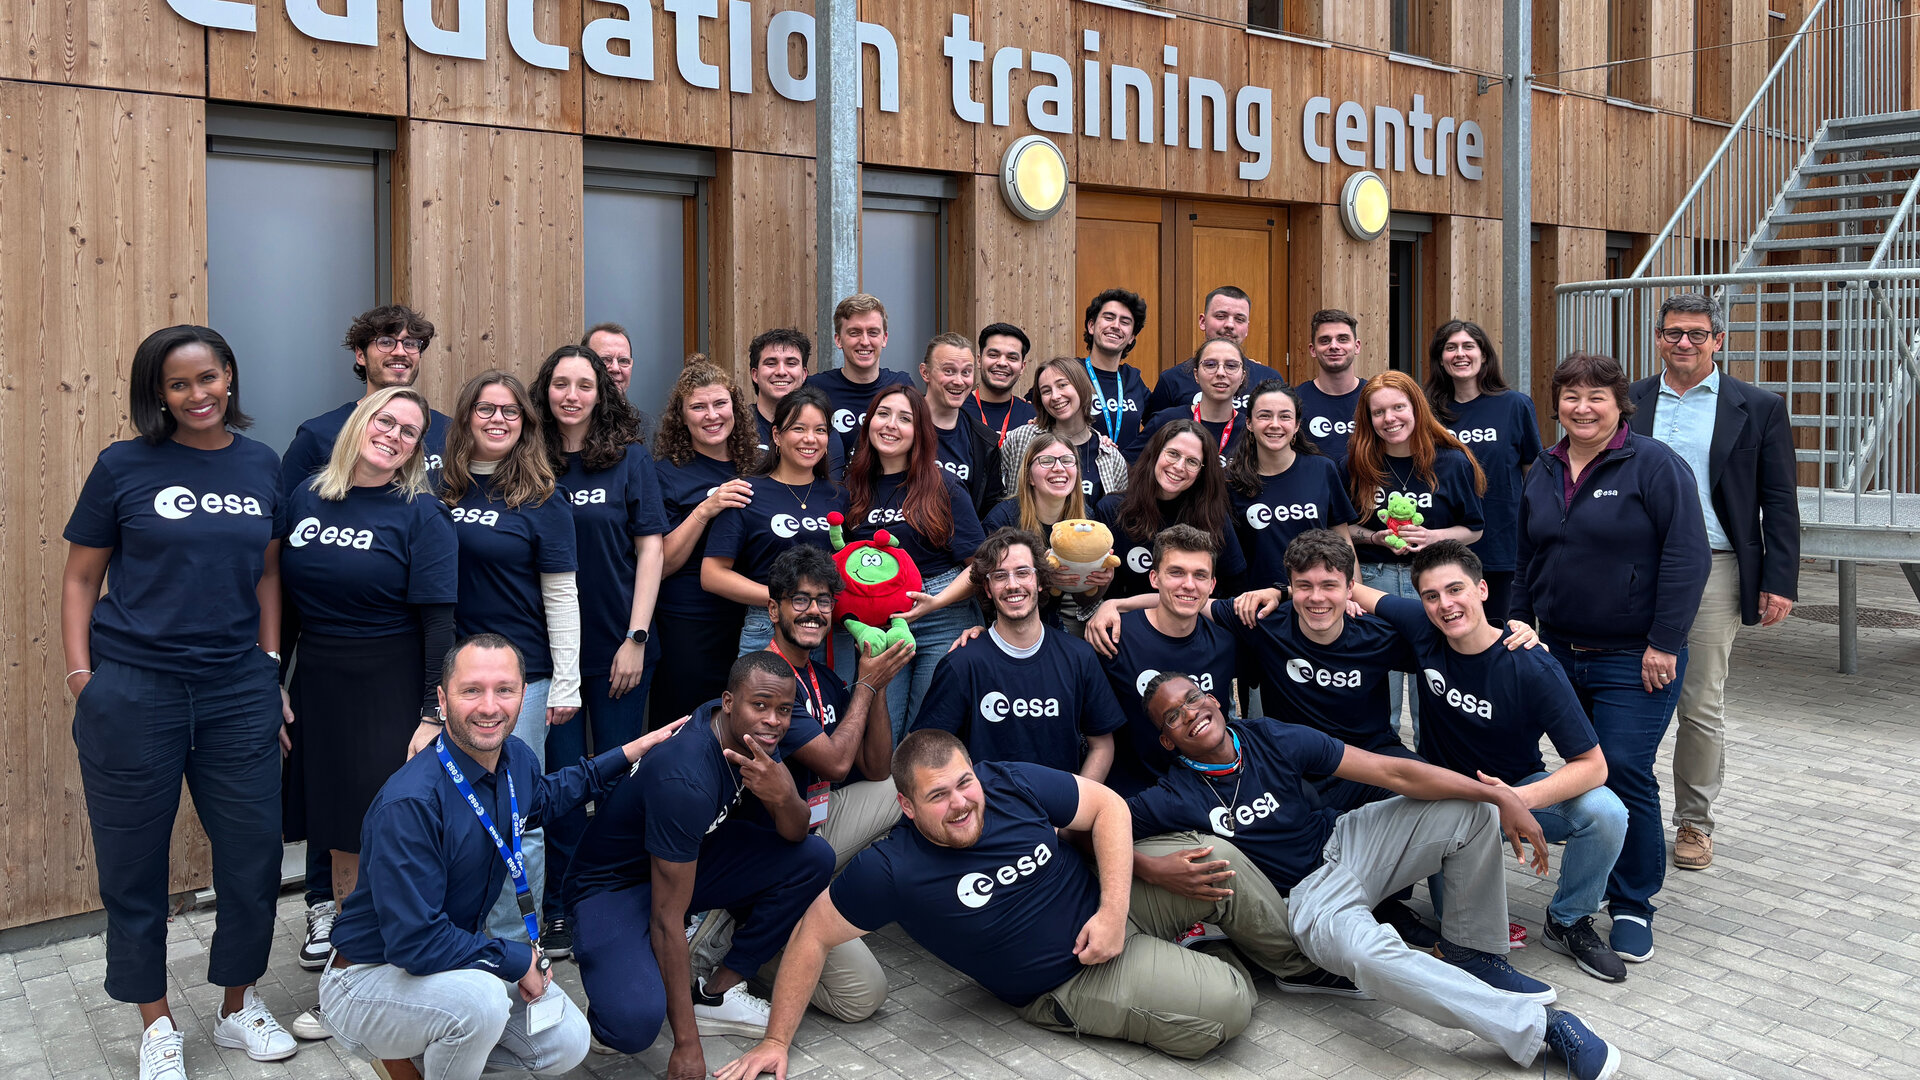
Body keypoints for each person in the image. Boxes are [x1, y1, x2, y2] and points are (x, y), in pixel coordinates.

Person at [1124, 676, 1622, 1080]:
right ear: (1168, 739)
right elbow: (1088, 829)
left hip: (1347, 843)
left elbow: (1395, 773)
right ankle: (1542, 1029)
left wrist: (1501, 797)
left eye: (1193, 698)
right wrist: (1149, 864)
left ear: (1215, 697)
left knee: (1468, 810)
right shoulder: (1171, 795)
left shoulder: (1272, 737)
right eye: (1174, 715)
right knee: (1369, 955)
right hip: (1309, 898)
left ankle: (1473, 951)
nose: (1190, 712)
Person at [714, 730, 1275, 1071]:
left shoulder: (1004, 781)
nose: (960, 803)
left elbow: (1108, 807)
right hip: (1066, 978)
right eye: (938, 796)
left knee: (1212, 857)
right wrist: (775, 1041)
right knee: (1227, 1005)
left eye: (964, 783)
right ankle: (1203, 961)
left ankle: (1302, 966)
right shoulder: (890, 870)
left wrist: (1111, 911)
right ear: (907, 808)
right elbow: (812, 933)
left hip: (1110, 908)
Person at [62, 325, 298, 1078]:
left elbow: (267, 574)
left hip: (236, 691)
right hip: (134, 691)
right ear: (157, 393)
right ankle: (155, 1021)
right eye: (179, 384)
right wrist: (81, 678)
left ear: (230, 376)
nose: (199, 395)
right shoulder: (123, 467)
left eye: (210, 378)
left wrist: (268, 667)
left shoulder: (262, 465)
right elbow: (79, 579)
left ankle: (237, 1006)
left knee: (254, 857)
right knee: (133, 867)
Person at [318, 635, 685, 1080]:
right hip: (365, 981)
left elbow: (545, 797)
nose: (489, 707)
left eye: (504, 690)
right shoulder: (410, 804)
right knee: (483, 1002)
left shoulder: (514, 759)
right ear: (442, 698)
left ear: (523, 694)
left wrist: (628, 753)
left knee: (567, 1039)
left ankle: (422, 1049)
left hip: (444, 969)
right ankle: (404, 1051)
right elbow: (415, 943)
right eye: (471, 690)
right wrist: (515, 959)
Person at [1351, 541, 1630, 984]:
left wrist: (1515, 798)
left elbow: (1593, 766)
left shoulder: (1532, 664)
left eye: (1455, 590)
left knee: (1606, 810)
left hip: (1516, 788)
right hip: (1445, 806)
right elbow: (1351, 588)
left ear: (1482, 589)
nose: (1445, 605)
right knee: (1456, 928)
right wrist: (1287, 594)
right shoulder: (1423, 629)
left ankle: (1569, 921)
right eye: (1431, 596)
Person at [1516, 351, 1710, 964]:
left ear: (1619, 403)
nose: (1582, 407)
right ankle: (1587, 884)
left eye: (1596, 396)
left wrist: (1664, 642)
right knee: (1577, 769)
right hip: (1559, 652)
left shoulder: (1653, 465)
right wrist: (1520, 623)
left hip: (1634, 656)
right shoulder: (1543, 469)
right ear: (1557, 404)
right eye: (1570, 396)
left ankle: (1632, 902)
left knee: (1623, 768)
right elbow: (1528, 559)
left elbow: (1688, 557)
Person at [567, 654, 833, 1075]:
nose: (773, 720)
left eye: (784, 710)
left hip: (687, 859)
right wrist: (686, 1046)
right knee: (632, 1024)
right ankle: (611, 993)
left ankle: (716, 992)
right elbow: (665, 918)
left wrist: (783, 793)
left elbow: (797, 833)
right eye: (760, 705)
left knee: (814, 858)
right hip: (613, 886)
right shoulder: (686, 777)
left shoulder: (751, 734)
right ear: (729, 702)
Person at [687, 546, 913, 1022]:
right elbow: (833, 764)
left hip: (807, 839)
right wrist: (867, 687)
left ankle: (776, 919)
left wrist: (880, 685)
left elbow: (875, 769)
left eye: (825, 600)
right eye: (800, 599)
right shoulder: (763, 685)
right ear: (774, 609)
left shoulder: (824, 679)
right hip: (760, 852)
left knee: (899, 791)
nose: (814, 610)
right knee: (861, 999)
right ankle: (739, 928)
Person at [277, 387, 456, 978]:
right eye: (386, 422)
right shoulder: (305, 496)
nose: (395, 437)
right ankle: (351, 960)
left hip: (389, 684)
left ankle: (388, 956)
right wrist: (275, 681)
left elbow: (438, 622)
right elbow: (286, 608)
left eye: (410, 432)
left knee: (383, 822)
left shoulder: (421, 514)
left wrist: (434, 715)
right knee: (336, 825)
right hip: (320, 686)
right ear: (360, 421)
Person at [1629, 293, 1799, 872]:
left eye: (1696, 334)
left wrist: (1779, 579)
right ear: (1658, 338)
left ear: (1717, 341)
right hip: (1630, 567)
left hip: (1713, 567)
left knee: (1699, 702)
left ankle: (1695, 822)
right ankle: (1615, 807)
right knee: (1618, 691)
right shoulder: (1629, 401)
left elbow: (1779, 500)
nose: (1684, 343)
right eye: (1674, 333)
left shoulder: (1757, 406)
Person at [531, 345, 670, 957]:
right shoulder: (527, 463)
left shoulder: (629, 460)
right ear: (546, 391)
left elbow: (651, 551)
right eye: (560, 383)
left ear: (601, 393)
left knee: (615, 784)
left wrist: (635, 638)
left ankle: (613, 899)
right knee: (561, 786)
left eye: (583, 384)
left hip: (621, 650)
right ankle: (559, 906)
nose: (571, 395)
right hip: (550, 656)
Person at [438, 370, 581, 942]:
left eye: (510, 412)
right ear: (466, 417)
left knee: (516, 813)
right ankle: (458, 933)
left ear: (525, 425)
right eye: (485, 409)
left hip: (521, 681)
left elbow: (562, 595)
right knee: (452, 807)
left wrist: (566, 680)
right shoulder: (436, 492)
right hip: (449, 676)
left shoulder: (543, 499)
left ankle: (517, 945)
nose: (497, 419)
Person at [912, 529, 1124, 779]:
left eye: (1023, 573)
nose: (1013, 585)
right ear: (988, 588)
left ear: (1040, 580)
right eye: (1000, 576)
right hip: (989, 811)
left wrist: (1079, 806)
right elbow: (924, 750)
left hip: (1061, 813)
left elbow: (1102, 745)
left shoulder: (1079, 656)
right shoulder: (962, 663)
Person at [1347, 370, 1487, 732]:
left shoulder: (1451, 461)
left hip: (1431, 583)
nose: (1389, 419)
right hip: (1374, 582)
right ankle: (1385, 775)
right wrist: (1373, 538)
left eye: (1398, 407)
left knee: (1436, 685)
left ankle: (1437, 774)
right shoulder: (1357, 462)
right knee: (1380, 686)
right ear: (1368, 418)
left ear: (1416, 408)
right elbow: (1342, 526)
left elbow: (1474, 528)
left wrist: (1434, 536)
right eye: (1378, 412)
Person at [841, 385, 984, 732]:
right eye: (883, 414)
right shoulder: (850, 488)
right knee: (880, 734)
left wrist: (934, 602)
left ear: (919, 431)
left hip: (942, 613)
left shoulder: (943, 485)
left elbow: (981, 565)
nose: (891, 425)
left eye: (905, 418)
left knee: (927, 731)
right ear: (868, 423)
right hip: (879, 623)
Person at [1093, 526, 1241, 795]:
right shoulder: (1115, 637)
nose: (1188, 584)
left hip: (1210, 792)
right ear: (1154, 577)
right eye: (1176, 572)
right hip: (1137, 794)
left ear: (1212, 585)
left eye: (1200, 575)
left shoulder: (1225, 642)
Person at [652, 362, 760, 726]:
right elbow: (662, 563)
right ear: (681, 417)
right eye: (698, 407)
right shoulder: (666, 472)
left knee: (743, 727)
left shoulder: (759, 466)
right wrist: (707, 507)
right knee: (686, 726)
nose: (711, 416)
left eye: (720, 404)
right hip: (689, 623)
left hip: (751, 618)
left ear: (735, 407)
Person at [704, 385, 848, 654]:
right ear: (777, 436)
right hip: (768, 625)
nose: (810, 439)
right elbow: (712, 575)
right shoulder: (746, 492)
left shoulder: (839, 496)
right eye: (798, 428)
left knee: (829, 698)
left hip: (828, 630)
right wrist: (783, 600)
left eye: (820, 430)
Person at [1424, 320, 1542, 624]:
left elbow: (1534, 474)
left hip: (1503, 545)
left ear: (1484, 355)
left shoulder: (1515, 405)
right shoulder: (1427, 412)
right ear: (1440, 358)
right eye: (1450, 348)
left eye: (1468, 346)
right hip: (1444, 547)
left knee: (1502, 637)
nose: (1459, 354)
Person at [281, 304, 451, 497]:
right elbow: (288, 513)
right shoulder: (317, 434)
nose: (400, 351)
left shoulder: (449, 431)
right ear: (361, 355)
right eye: (386, 342)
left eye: (410, 343)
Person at [1227, 381, 1358, 592]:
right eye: (1264, 416)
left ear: (1297, 424)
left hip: (1318, 598)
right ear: (1249, 423)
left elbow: (1343, 540)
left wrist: (1353, 594)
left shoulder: (1322, 469)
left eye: (1285, 416)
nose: (1275, 424)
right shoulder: (1231, 482)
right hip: (1259, 607)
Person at [1093, 420, 1247, 600]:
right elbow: (1106, 595)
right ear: (1155, 453)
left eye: (1192, 461)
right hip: (1128, 623)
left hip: (1195, 622)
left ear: (1201, 472)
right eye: (1173, 454)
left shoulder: (1212, 515)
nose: (1179, 466)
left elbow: (1234, 588)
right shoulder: (1112, 510)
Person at [982, 431, 1115, 634]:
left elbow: (1082, 598)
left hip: (1051, 625)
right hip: (1004, 627)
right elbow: (988, 593)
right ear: (1029, 477)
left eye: (1067, 460)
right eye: (1046, 461)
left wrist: (1100, 581)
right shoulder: (1003, 519)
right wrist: (1042, 578)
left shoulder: (1084, 519)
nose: (1059, 468)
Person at [999, 356, 1130, 505]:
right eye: (1046, 391)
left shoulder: (1111, 456)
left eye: (1062, 385)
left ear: (1081, 387)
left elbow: (1116, 514)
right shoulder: (1022, 439)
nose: (1055, 396)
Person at [1144, 285, 1285, 415]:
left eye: (1239, 319)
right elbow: (1156, 437)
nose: (1230, 324)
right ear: (1202, 321)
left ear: (1247, 328)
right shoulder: (1172, 380)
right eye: (1220, 316)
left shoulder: (1268, 378)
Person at [808, 294, 914, 456]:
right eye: (854, 332)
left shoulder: (901, 385)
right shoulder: (815, 389)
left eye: (873, 332)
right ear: (838, 340)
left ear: (884, 338)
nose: (865, 341)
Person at [919, 332, 1005, 516]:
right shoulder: (896, 427)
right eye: (948, 371)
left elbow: (990, 511)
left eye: (966, 372)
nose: (958, 381)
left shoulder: (985, 442)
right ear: (925, 373)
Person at [1128, 338, 1249, 464]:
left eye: (1231, 366)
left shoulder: (1251, 432)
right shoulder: (1165, 421)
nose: (1220, 373)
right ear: (1196, 375)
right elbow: (1126, 465)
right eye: (1210, 365)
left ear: (1242, 377)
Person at [1080, 288, 1153, 449]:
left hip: (1125, 472)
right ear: (1091, 326)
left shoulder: (1133, 379)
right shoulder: (1069, 372)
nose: (1115, 326)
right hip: (1079, 472)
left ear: (1131, 337)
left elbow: (1158, 425)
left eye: (1125, 322)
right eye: (1109, 318)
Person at [1294, 309, 1365, 466]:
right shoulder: (1294, 400)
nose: (1334, 346)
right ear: (1313, 350)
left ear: (1357, 346)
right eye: (1325, 340)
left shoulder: (1374, 397)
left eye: (1343, 339)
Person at [962, 322, 1037, 442]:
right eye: (993, 355)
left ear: (1022, 367)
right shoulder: (957, 410)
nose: (1002, 363)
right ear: (979, 360)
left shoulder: (1032, 417)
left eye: (1012, 358)